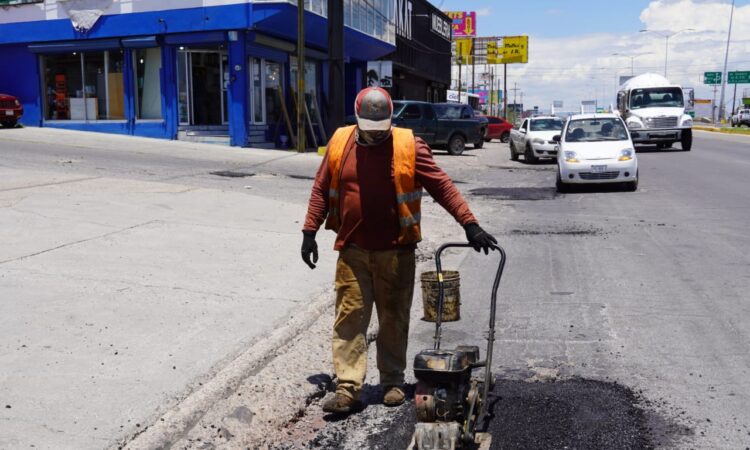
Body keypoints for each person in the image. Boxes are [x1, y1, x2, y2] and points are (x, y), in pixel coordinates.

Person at [301, 87, 497, 414]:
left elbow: (442, 186)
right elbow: (321, 187)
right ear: (357, 118)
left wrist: (469, 223)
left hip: (396, 252)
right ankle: (348, 388)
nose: (375, 135)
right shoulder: (339, 142)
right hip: (353, 250)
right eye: (369, 129)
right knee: (349, 319)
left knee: (393, 318)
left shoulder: (409, 145)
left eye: (381, 129)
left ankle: (392, 380)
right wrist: (309, 231)